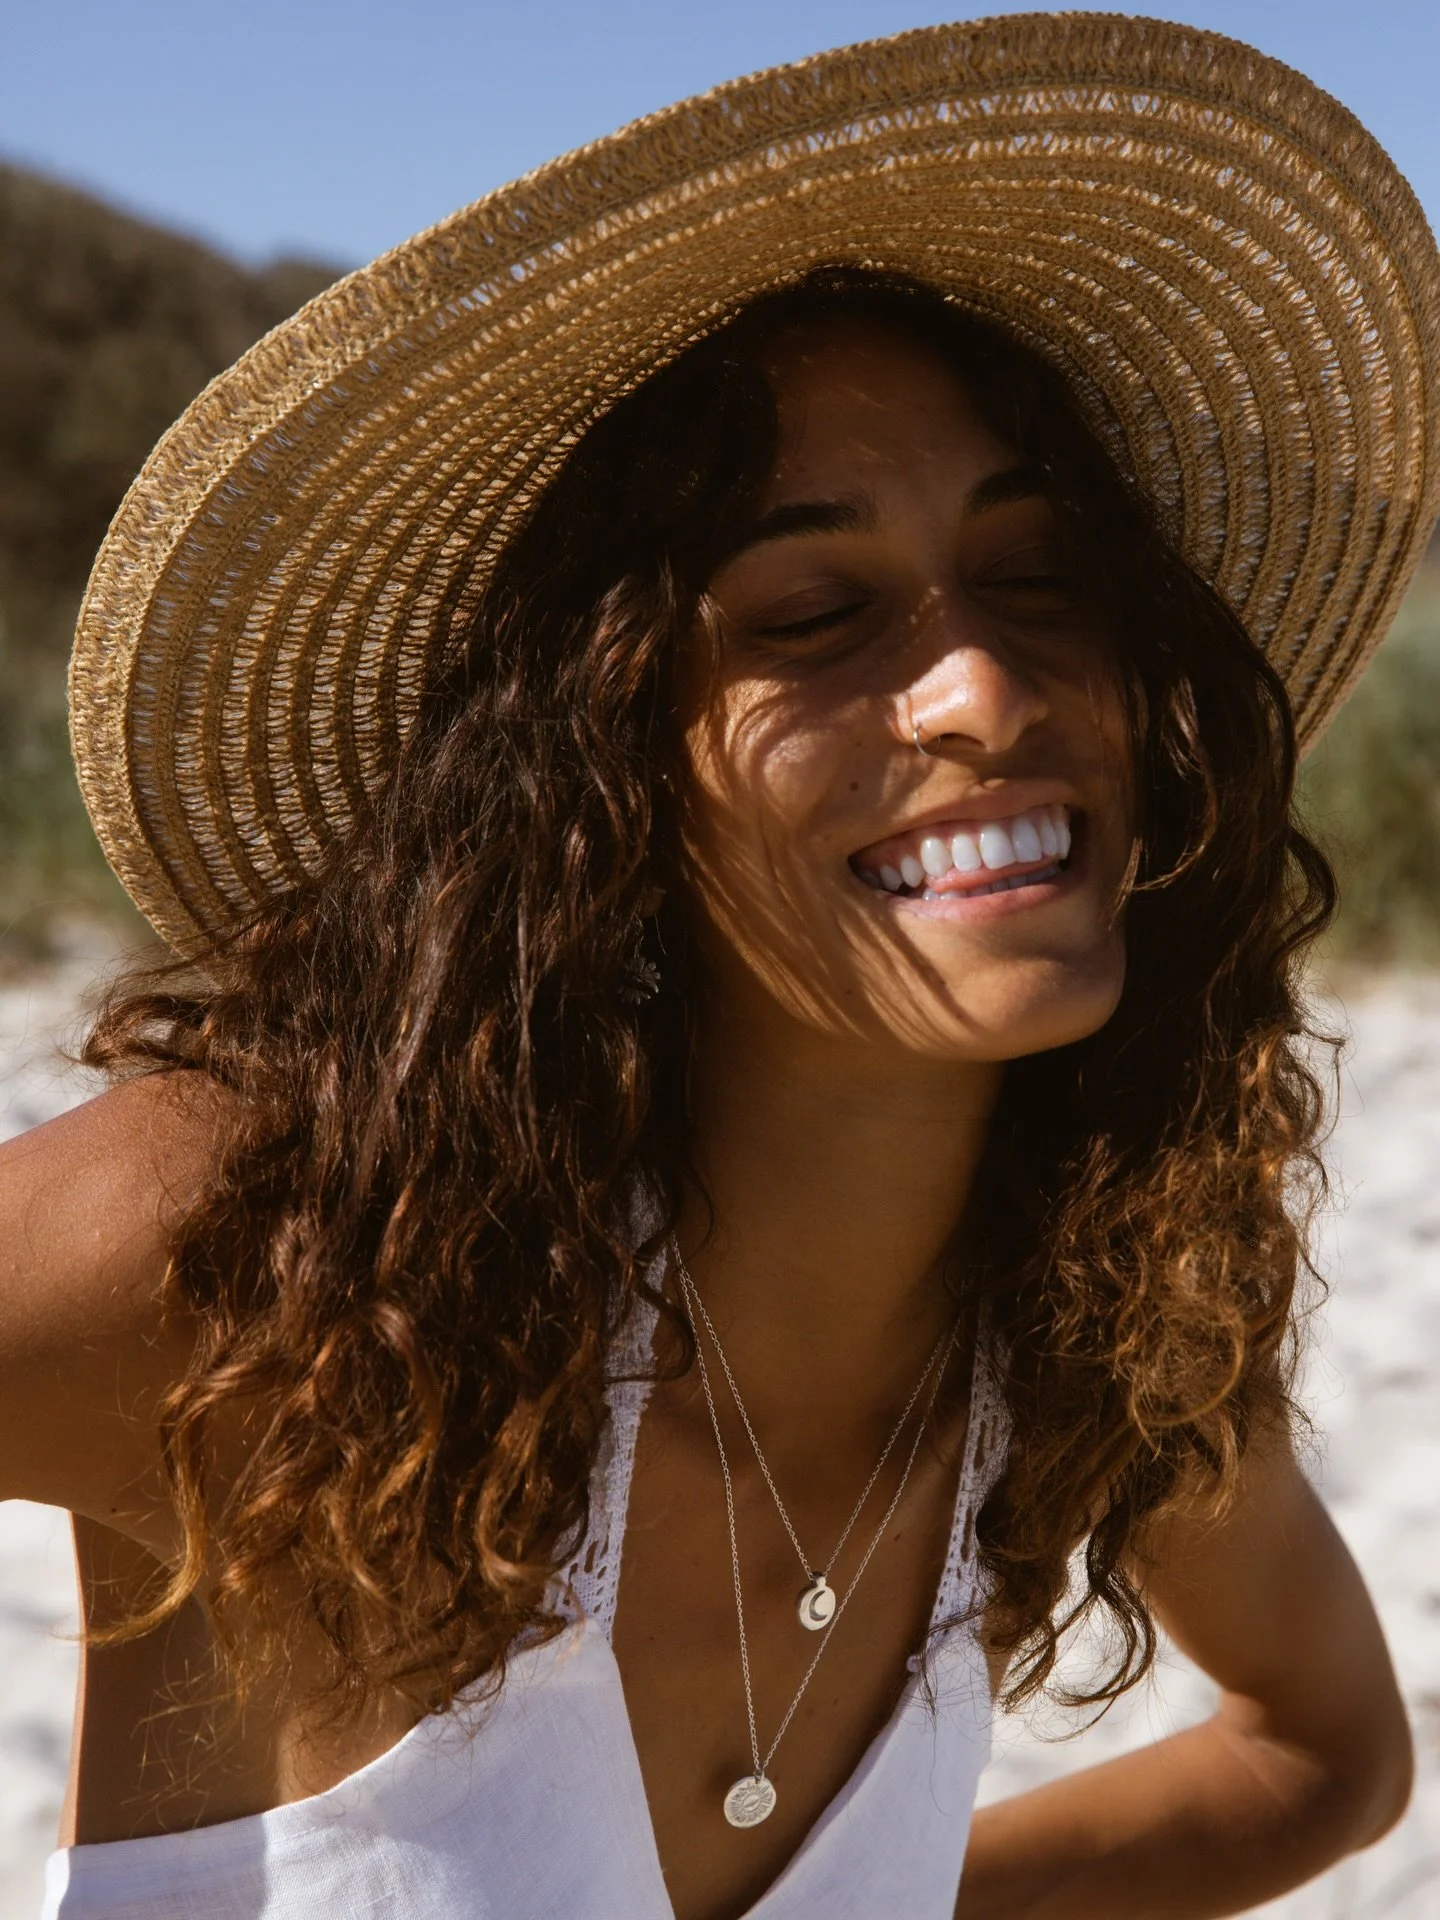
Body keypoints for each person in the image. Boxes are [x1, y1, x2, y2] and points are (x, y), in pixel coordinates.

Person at [6, 15, 1437, 1919]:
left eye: (1039, 577)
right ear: (591, 767)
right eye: (817, 613)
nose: (985, 693)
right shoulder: (268, 1263)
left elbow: (1320, 1758)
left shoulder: (1092, 1309)